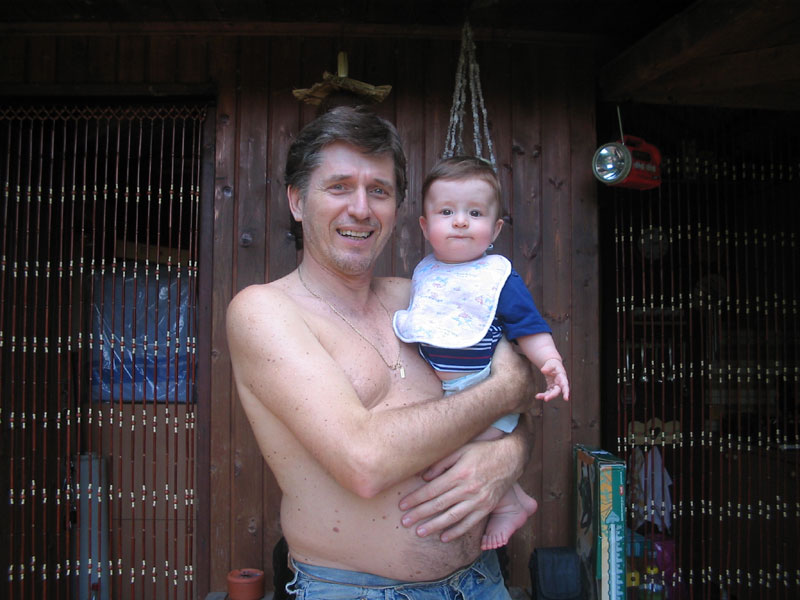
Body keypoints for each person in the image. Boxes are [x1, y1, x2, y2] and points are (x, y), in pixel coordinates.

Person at [226, 106, 539, 599]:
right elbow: (365, 462)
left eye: (379, 191)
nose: (361, 209)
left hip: (481, 582)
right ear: (297, 201)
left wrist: (510, 455)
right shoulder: (265, 311)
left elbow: (518, 403)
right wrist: (507, 389)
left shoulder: (422, 297)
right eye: (339, 187)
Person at [393, 156, 570, 550]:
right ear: (425, 226)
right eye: (446, 212)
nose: (460, 221)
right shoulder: (426, 275)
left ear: (496, 229)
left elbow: (527, 326)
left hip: (483, 392)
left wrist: (550, 361)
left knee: (454, 453)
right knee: (456, 451)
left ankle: (510, 504)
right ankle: (515, 499)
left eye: (474, 213)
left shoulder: (497, 278)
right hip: (449, 395)